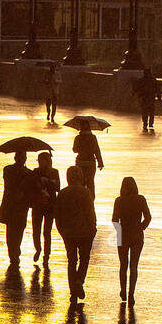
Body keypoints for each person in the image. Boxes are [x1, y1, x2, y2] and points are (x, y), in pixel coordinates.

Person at [54, 165, 97, 303]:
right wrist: (93, 228)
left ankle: (73, 292)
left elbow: (57, 215)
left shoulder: (62, 193)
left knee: (72, 261)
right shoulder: (86, 192)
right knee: (84, 258)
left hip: (68, 232)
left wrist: (61, 230)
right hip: (85, 231)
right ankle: (79, 281)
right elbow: (90, 213)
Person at [112, 176, 151, 304]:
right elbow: (148, 217)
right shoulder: (140, 199)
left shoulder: (119, 200)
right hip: (137, 235)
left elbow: (114, 220)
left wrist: (119, 232)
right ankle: (131, 293)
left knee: (123, 265)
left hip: (122, 234)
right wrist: (141, 228)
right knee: (134, 265)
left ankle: (123, 290)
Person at [0, 147, 34, 265]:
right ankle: (13, 253)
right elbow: (9, 184)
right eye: (20, 157)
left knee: (19, 230)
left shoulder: (28, 173)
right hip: (11, 204)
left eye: (23, 157)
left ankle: (15, 252)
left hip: (21, 205)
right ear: (15, 158)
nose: (21, 159)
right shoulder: (8, 170)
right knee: (11, 231)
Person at [32, 150, 60, 264]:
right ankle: (38, 249)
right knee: (36, 230)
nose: (39, 163)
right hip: (38, 204)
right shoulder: (35, 172)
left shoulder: (54, 172)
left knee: (47, 231)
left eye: (41, 160)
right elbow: (32, 186)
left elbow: (58, 187)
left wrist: (48, 182)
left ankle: (47, 254)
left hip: (50, 205)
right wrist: (39, 182)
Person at [72, 126, 104, 199]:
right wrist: (100, 163)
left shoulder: (78, 138)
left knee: (80, 182)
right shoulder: (93, 137)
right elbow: (97, 150)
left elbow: (74, 150)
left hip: (80, 162)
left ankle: (81, 198)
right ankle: (91, 199)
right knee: (90, 182)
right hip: (91, 162)